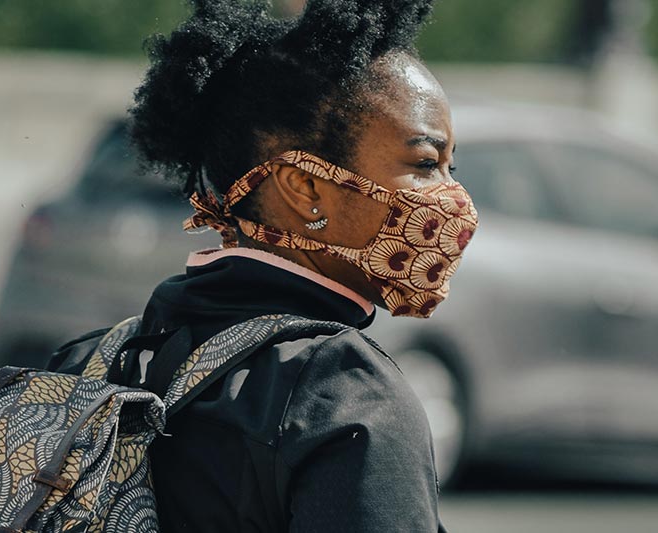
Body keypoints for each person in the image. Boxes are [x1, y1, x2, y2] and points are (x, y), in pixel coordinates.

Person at [45, 0, 468, 531]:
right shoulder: (343, 395)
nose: (452, 197)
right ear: (307, 189)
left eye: (451, 167)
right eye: (426, 164)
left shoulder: (88, 363)